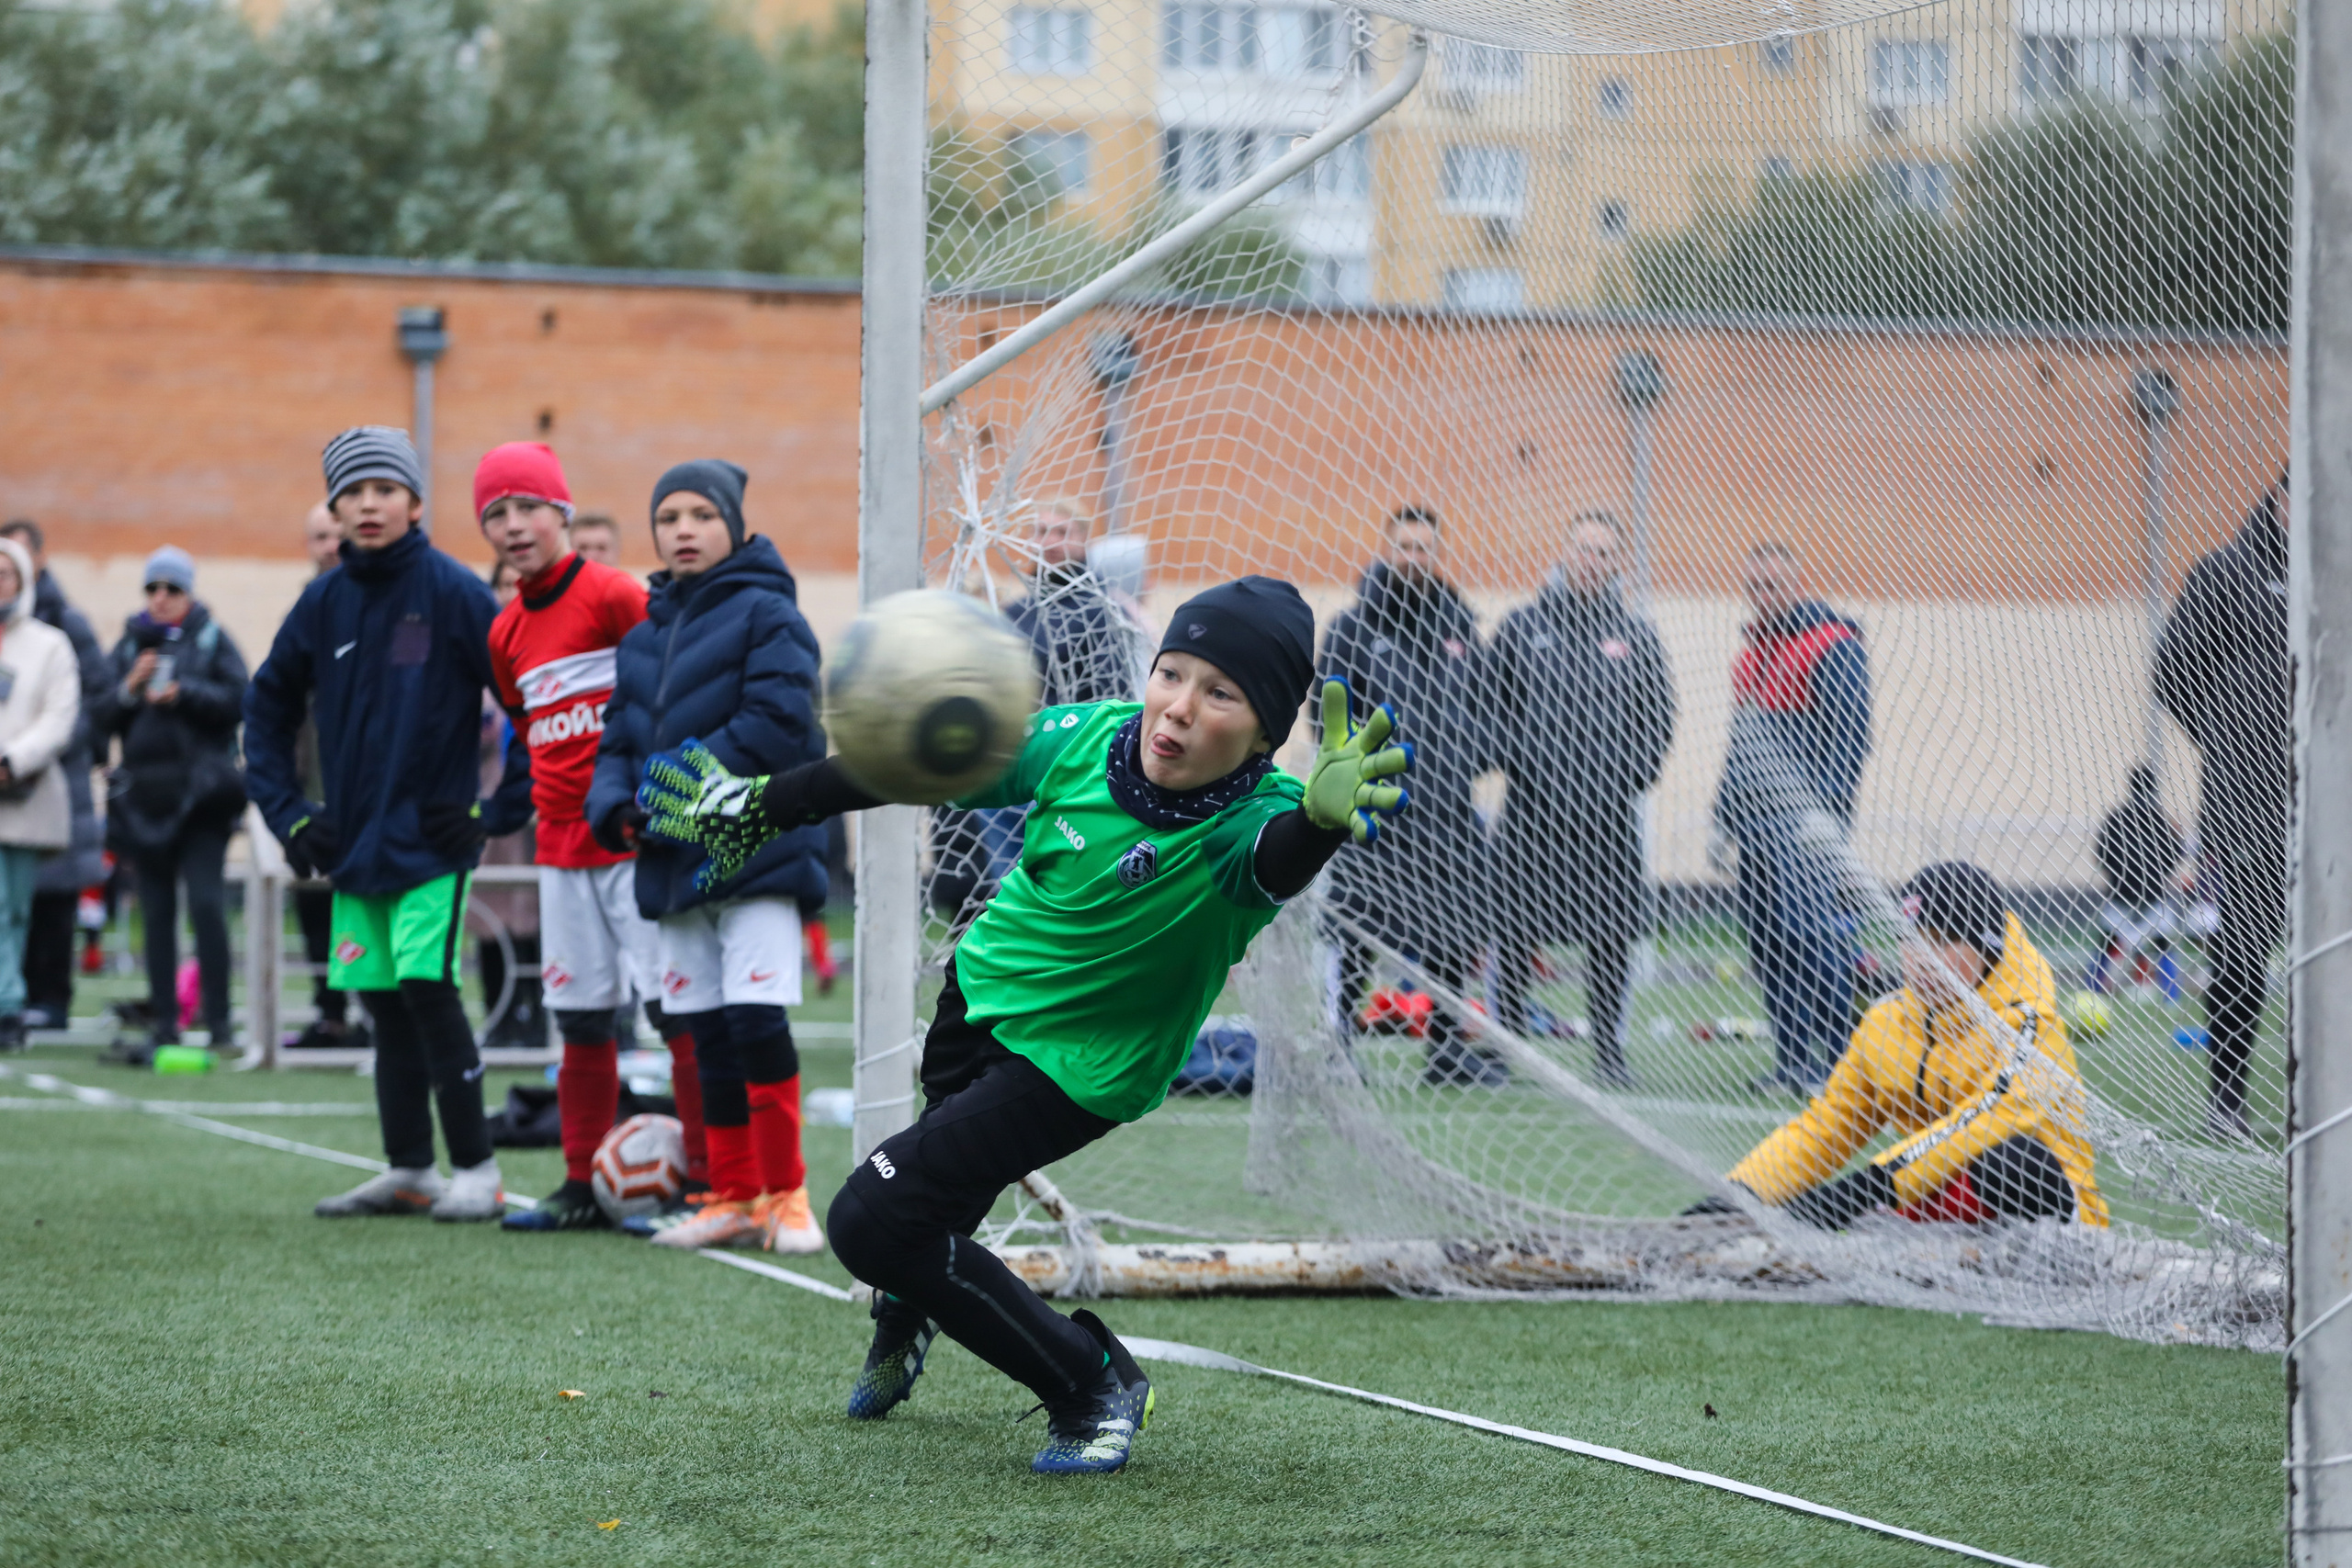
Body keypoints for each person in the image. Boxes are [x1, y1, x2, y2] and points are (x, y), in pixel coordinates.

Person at [634, 575, 1409, 1473]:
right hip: (979, 1001)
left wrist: (1318, 824)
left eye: (1221, 692)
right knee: (934, 1200)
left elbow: (1272, 865)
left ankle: (1092, 1380)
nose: (1181, 707)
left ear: (1268, 733)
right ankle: (908, 1310)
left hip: (1078, 1069)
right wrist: (763, 801)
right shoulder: (1084, 737)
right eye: (1173, 672)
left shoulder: (1257, 818)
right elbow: (914, 764)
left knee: (872, 1223)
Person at [244, 426, 529, 1221]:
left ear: (413, 501)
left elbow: (531, 707)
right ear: (334, 506)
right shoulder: (323, 598)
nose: (368, 504)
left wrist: (491, 812)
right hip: (352, 848)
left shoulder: (454, 592)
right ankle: (410, 1169)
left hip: (433, 846)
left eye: (384, 489)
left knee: (427, 986)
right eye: (352, 492)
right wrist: (292, 817)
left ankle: (477, 1167)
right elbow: (264, 710)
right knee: (378, 998)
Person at [584, 460, 825, 1253]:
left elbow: (776, 725)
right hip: (670, 862)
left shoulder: (771, 614)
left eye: (700, 514)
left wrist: (663, 794)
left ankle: (787, 1193)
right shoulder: (644, 635)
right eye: (668, 517)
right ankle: (730, 1192)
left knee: (757, 1022)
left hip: (754, 853)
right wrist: (615, 802)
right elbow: (617, 740)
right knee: (699, 1031)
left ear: (734, 523)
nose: (683, 529)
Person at [470, 443, 697, 1234]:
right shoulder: (504, 631)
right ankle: (579, 1179)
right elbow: (529, 726)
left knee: (675, 1012)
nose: (513, 524)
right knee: (578, 1016)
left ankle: (701, 1178)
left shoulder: (612, 594)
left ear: (560, 511)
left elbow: (666, 693)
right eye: (495, 513)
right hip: (558, 850)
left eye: (527, 506)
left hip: (631, 843)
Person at [1699, 862, 2109, 1231]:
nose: (1925, 959)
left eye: (1946, 940)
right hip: (1926, 1203)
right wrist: (1741, 1194)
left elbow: (1991, 1119)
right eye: (1911, 939)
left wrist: (1869, 1187)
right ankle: (1905, 1223)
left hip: (2043, 1215)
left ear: (1989, 946)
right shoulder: (1885, 1021)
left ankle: (1897, 1217)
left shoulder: (2030, 1022)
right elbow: (1827, 1126)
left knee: (2013, 1160)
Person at [1485, 513, 1677, 1089]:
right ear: (1565, 553)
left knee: (1610, 936)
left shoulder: (1637, 634)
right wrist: (1525, 763)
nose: (1592, 561)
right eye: (1584, 549)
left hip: (1608, 819)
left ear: (1615, 562)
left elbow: (1659, 718)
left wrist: (1625, 777)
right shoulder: (1522, 625)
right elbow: (1489, 708)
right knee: (1513, 930)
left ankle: (1609, 1055)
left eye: (1603, 553)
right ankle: (1507, 1049)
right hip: (1531, 817)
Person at [1320, 504, 1498, 1084]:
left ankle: (1446, 1053)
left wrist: (1468, 758)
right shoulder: (1352, 628)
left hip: (1448, 812)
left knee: (1454, 934)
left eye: (1424, 549)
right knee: (1356, 931)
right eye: (1404, 547)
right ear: (1386, 550)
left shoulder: (1461, 626)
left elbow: (1483, 705)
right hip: (1375, 814)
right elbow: (1328, 714)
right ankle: (1339, 1046)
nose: (1413, 559)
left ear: (1436, 554)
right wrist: (1362, 779)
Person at [2154, 472, 2290, 1137]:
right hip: (2248, 798)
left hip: (2329, 793)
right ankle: (2226, 1100)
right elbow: (2172, 668)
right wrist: (2231, 739)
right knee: (2246, 945)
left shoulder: (2337, 564)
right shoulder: (2226, 570)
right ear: (2284, 500)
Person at [932, 498, 1142, 923]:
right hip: (1007, 775)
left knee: (1058, 894)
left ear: (1084, 541)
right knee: (1010, 893)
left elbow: (1112, 698)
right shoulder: (1016, 614)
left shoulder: (1102, 613)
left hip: (1065, 776)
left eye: (1061, 532)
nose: (1049, 542)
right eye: (1041, 532)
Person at [1712, 542, 1872, 1094]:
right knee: (1770, 945)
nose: (1762, 595)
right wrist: (1722, 818)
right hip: (1757, 831)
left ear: (1795, 583)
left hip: (1805, 831)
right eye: (1754, 586)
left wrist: (1825, 816)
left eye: (1772, 585)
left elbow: (1850, 740)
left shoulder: (1832, 645)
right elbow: (1742, 748)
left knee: (1816, 939)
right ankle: (1791, 1064)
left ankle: (1835, 1067)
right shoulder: (1752, 656)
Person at [90, 547, 250, 1055]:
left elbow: (240, 701)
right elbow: (98, 716)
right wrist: (130, 689)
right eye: (152, 589)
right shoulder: (127, 647)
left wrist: (184, 691)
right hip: (145, 803)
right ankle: (165, 1022)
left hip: (202, 802)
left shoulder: (212, 640)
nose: (161, 599)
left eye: (172, 589)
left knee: (206, 907)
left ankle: (220, 1024)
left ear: (189, 593)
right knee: (154, 914)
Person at [0, 520, 108, 1031]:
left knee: (22, 906)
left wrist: (14, 761)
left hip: (30, 793)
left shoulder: (57, 636)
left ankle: (18, 1002)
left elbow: (69, 712)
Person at [285, 502, 366, 1052]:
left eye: (336, 536)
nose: (329, 546)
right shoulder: (304, 612)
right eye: (319, 537)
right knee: (314, 907)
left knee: (367, 903)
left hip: (368, 786)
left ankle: (372, 1012)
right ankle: (330, 1013)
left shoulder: (379, 601)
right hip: (312, 787)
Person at [2087, 763, 2186, 999]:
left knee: (2106, 946)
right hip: (2152, 897)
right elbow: (2177, 854)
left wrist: (2120, 875)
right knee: (2163, 946)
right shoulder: (2161, 821)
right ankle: (2171, 997)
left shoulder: (2116, 819)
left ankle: (2091, 991)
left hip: (2121, 896)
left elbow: (2101, 854)